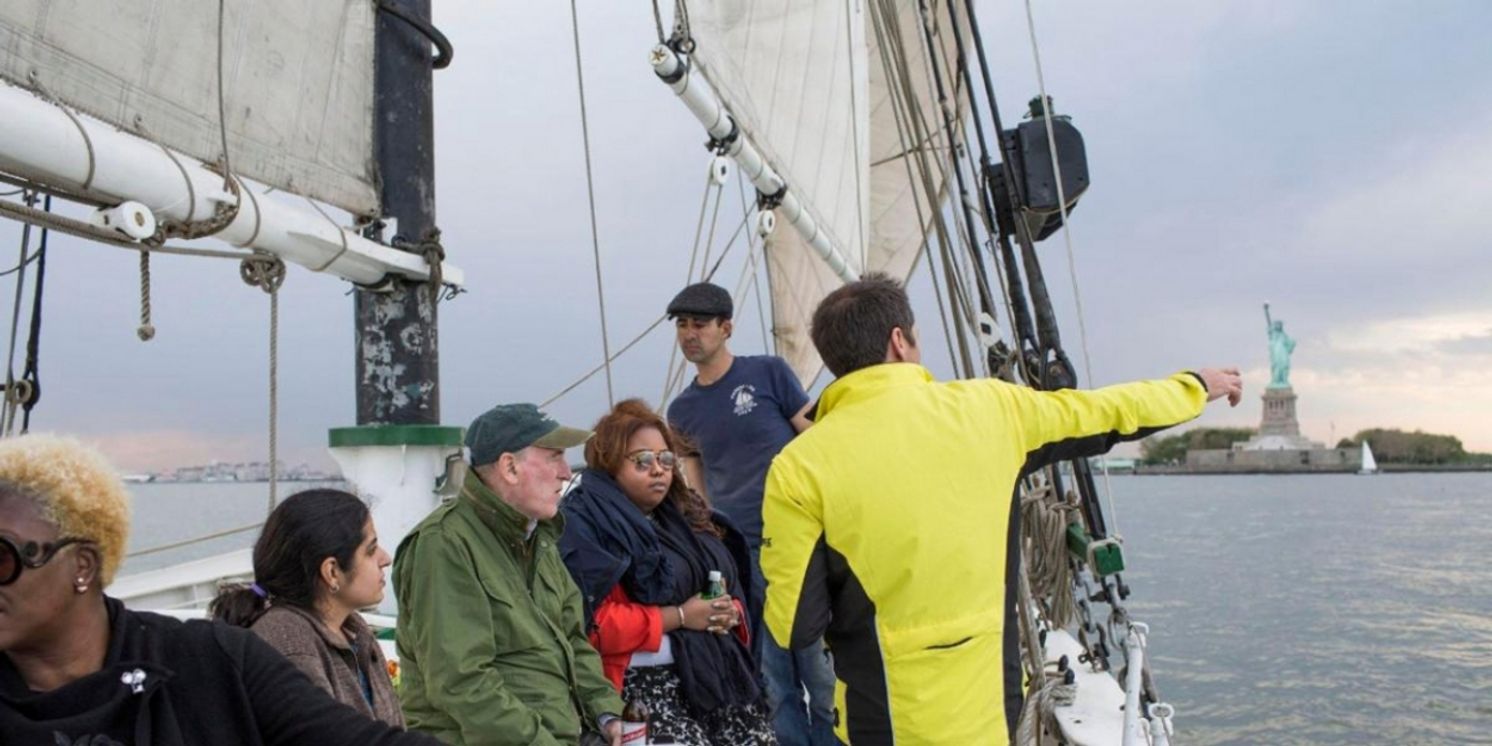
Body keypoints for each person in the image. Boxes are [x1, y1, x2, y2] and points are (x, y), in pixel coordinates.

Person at [761, 274, 1244, 745]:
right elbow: (1108, 412)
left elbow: (794, 624)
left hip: (878, 720)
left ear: (834, 360)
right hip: (991, 710)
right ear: (899, 341)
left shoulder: (798, 466)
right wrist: (1194, 385)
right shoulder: (994, 410)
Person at [0, 434, 437, 745]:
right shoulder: (284, 639)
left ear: (82, 566)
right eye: (371, 549)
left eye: (2, 557)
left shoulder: (214, 662)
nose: (384, 560)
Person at [665, 282, 837, 746]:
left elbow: (813, 436)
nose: (689, 334)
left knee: (820, 669)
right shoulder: (681, 410)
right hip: (739, 553)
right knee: (771, 673)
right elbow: (695, 485)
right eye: (682, 325)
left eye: (699, 324)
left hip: (800, 543)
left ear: (727, 327)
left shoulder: (768, 373)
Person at [393, 403, 624, 745]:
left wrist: (606, 714)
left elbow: (573, 641)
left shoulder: (538, 540)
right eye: (553, 457)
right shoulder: (444, 545)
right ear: (510, 467)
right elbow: (462, 682)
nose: (566, 471)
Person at [559, 399, 775, 745]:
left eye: (666, 460)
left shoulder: (687, 520)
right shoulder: (586, 528)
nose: (658, 470)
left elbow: (729, 589)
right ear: (611, 462)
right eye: (642, 461)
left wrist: (727, 612)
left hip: (713, 673)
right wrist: (679, 616)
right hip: (637, 687)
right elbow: (590, 625)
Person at [210, 489, 403, 728]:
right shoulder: (289, 644)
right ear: (332, 572)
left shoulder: (354, 629)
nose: (385, 558)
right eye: (371, 550)